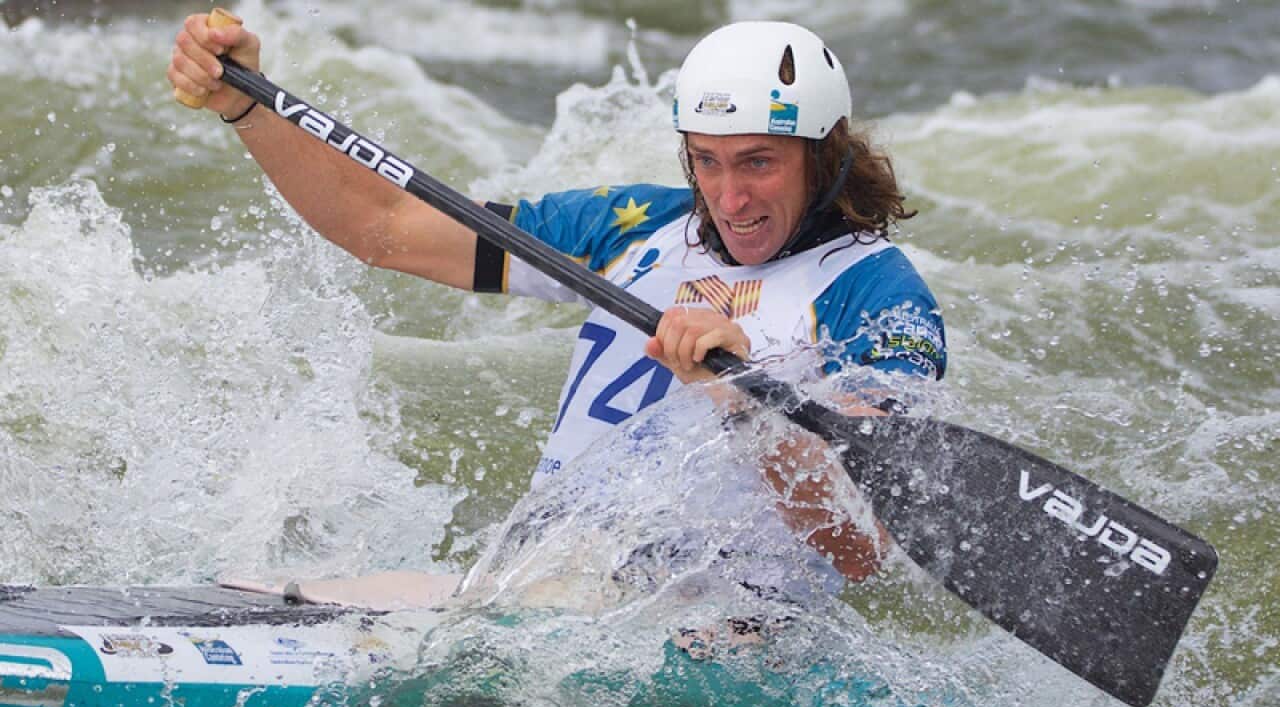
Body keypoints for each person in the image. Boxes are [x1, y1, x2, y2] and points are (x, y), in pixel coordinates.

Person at [167, 17, 946, 589]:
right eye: (707, 161)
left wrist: (745, 403)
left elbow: (858, 546)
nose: (729, 197)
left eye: (758, 163)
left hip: (729, 630)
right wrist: (246, 106)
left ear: (823, 155)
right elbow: (384, 227)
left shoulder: (879, 296)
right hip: (548, 587)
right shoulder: (634, 227)